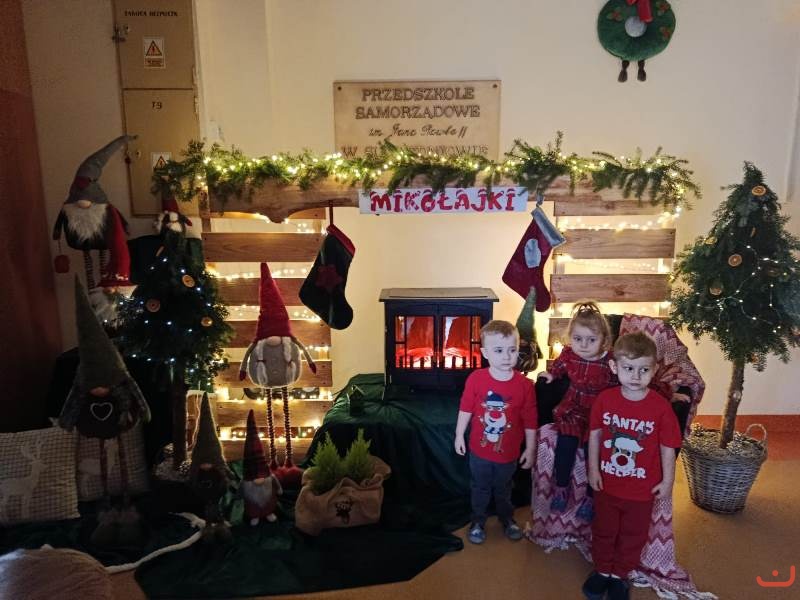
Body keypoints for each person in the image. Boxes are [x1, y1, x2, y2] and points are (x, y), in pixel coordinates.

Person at [582, 332, 682, 600]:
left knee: (633, 534)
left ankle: (619, 575)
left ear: (654, 369)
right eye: (628, 368)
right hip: (607, 485)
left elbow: (668, 446)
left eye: (643, 370)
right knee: (604, 529)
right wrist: (593, 469)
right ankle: (602, 570)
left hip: (641, 491)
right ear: (614, 367)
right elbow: (595, 435)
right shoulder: (605, 400)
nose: (635, 376)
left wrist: (668, 481)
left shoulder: (660, 408)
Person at [455, 319, 537, 544]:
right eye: (499, 350)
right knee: (480, 488)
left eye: (512, 350)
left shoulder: (525, 386)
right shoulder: (476, 379)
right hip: (479, 452)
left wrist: (530, 448)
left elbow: (530, 419)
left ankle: (507, 518)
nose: (506, 356)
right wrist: (459, 434)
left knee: (504, 489)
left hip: (508, 453)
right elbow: (465, 408)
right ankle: (478, 521)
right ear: (485, 353)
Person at [538, 301, 616, 520]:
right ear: (570, 338)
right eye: (578, 338)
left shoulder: (609, 361)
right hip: (573, 409)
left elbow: (626, 381)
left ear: (603, 340)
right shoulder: (569, 355)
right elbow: (559, 366)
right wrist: (551, 375)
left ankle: (591, 497)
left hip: (598, 414)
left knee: (596, 451)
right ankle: (561, 487)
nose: (584, 345)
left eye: (591, 340)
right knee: (566, 444)